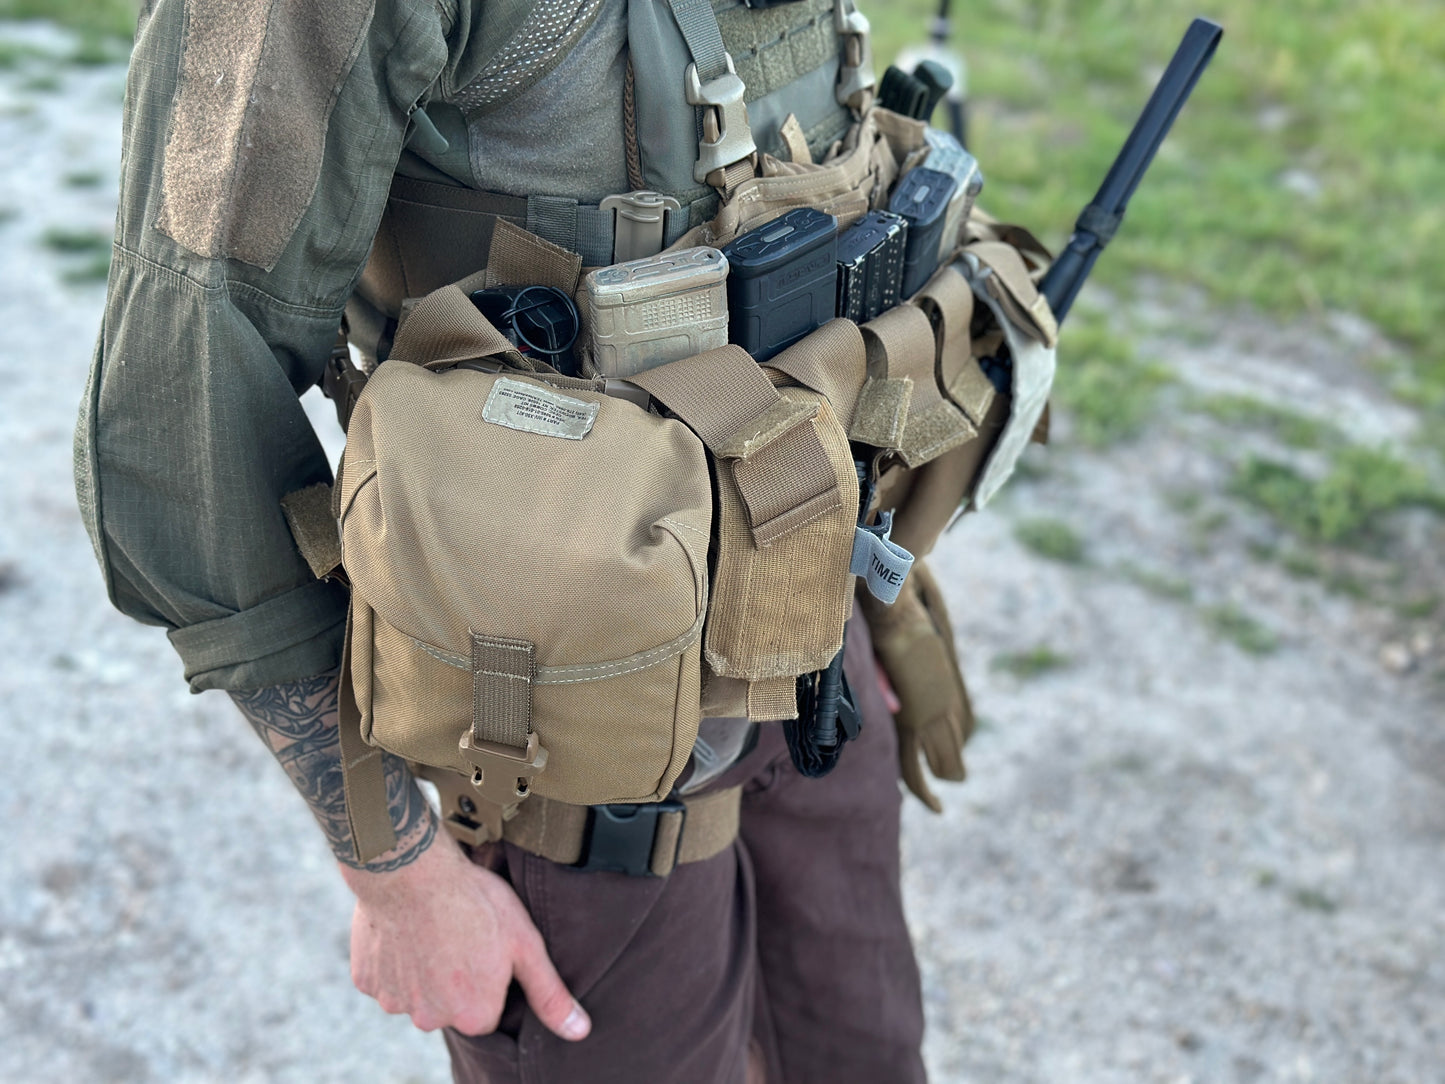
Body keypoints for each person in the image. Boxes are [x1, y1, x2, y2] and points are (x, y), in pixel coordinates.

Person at [75, 1, 969, 1079]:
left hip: (812, 660)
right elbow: (183, 404)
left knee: (863, 1050)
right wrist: (398, 871)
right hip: (561, 751)